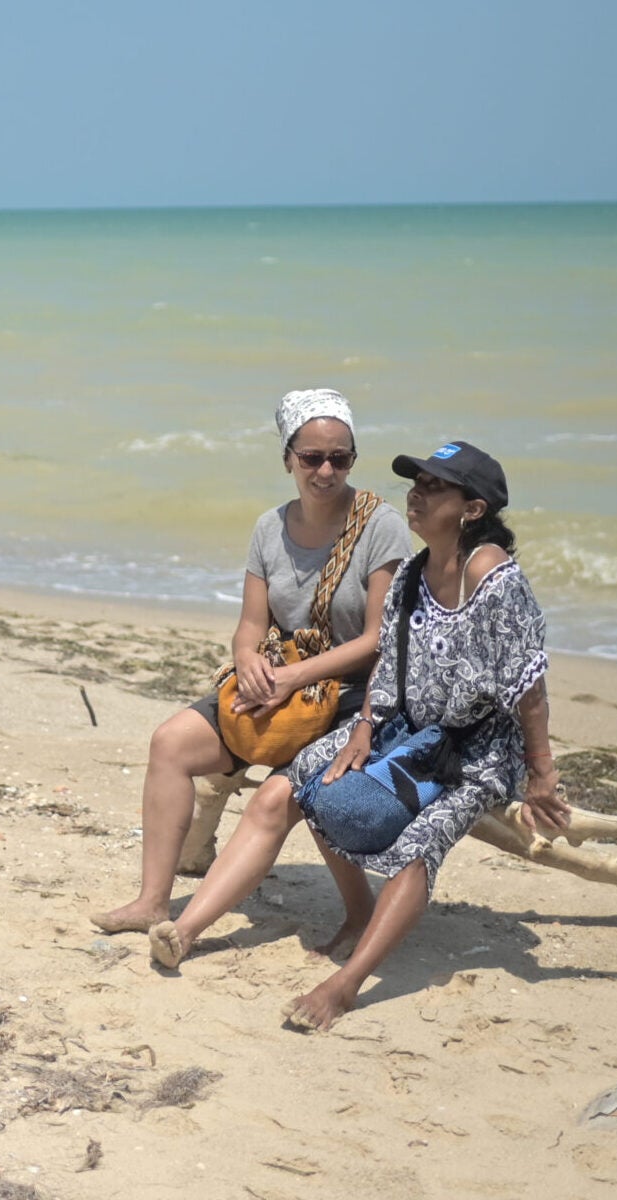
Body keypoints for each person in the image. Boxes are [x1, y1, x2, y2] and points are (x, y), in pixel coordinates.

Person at [147, 440, 572, 1031]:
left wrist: (542, 777)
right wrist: (365, 727)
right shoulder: (417, 571)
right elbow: (388, 662)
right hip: (402, 724)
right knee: (287, 791)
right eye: (415, 483)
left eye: (433, 488)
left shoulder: (493, 575)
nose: (416, 495)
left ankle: (345, 987)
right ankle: (185, 931)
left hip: (472, 751)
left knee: (421, 844)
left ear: (472, 509)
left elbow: (530, 682)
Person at [90, 389, 411, 935]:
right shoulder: (270, 528)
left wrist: (292, 676)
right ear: (288, 458)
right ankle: (151, 901)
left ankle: (358, 913)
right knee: (169, 743)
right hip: (277, 684)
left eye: (341, 458)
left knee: (284, 793)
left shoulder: (380, 525)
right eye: (312, 458)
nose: (326, 470)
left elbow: (377, 640)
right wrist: (248, 661)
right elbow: (251, 626)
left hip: (352, 696)